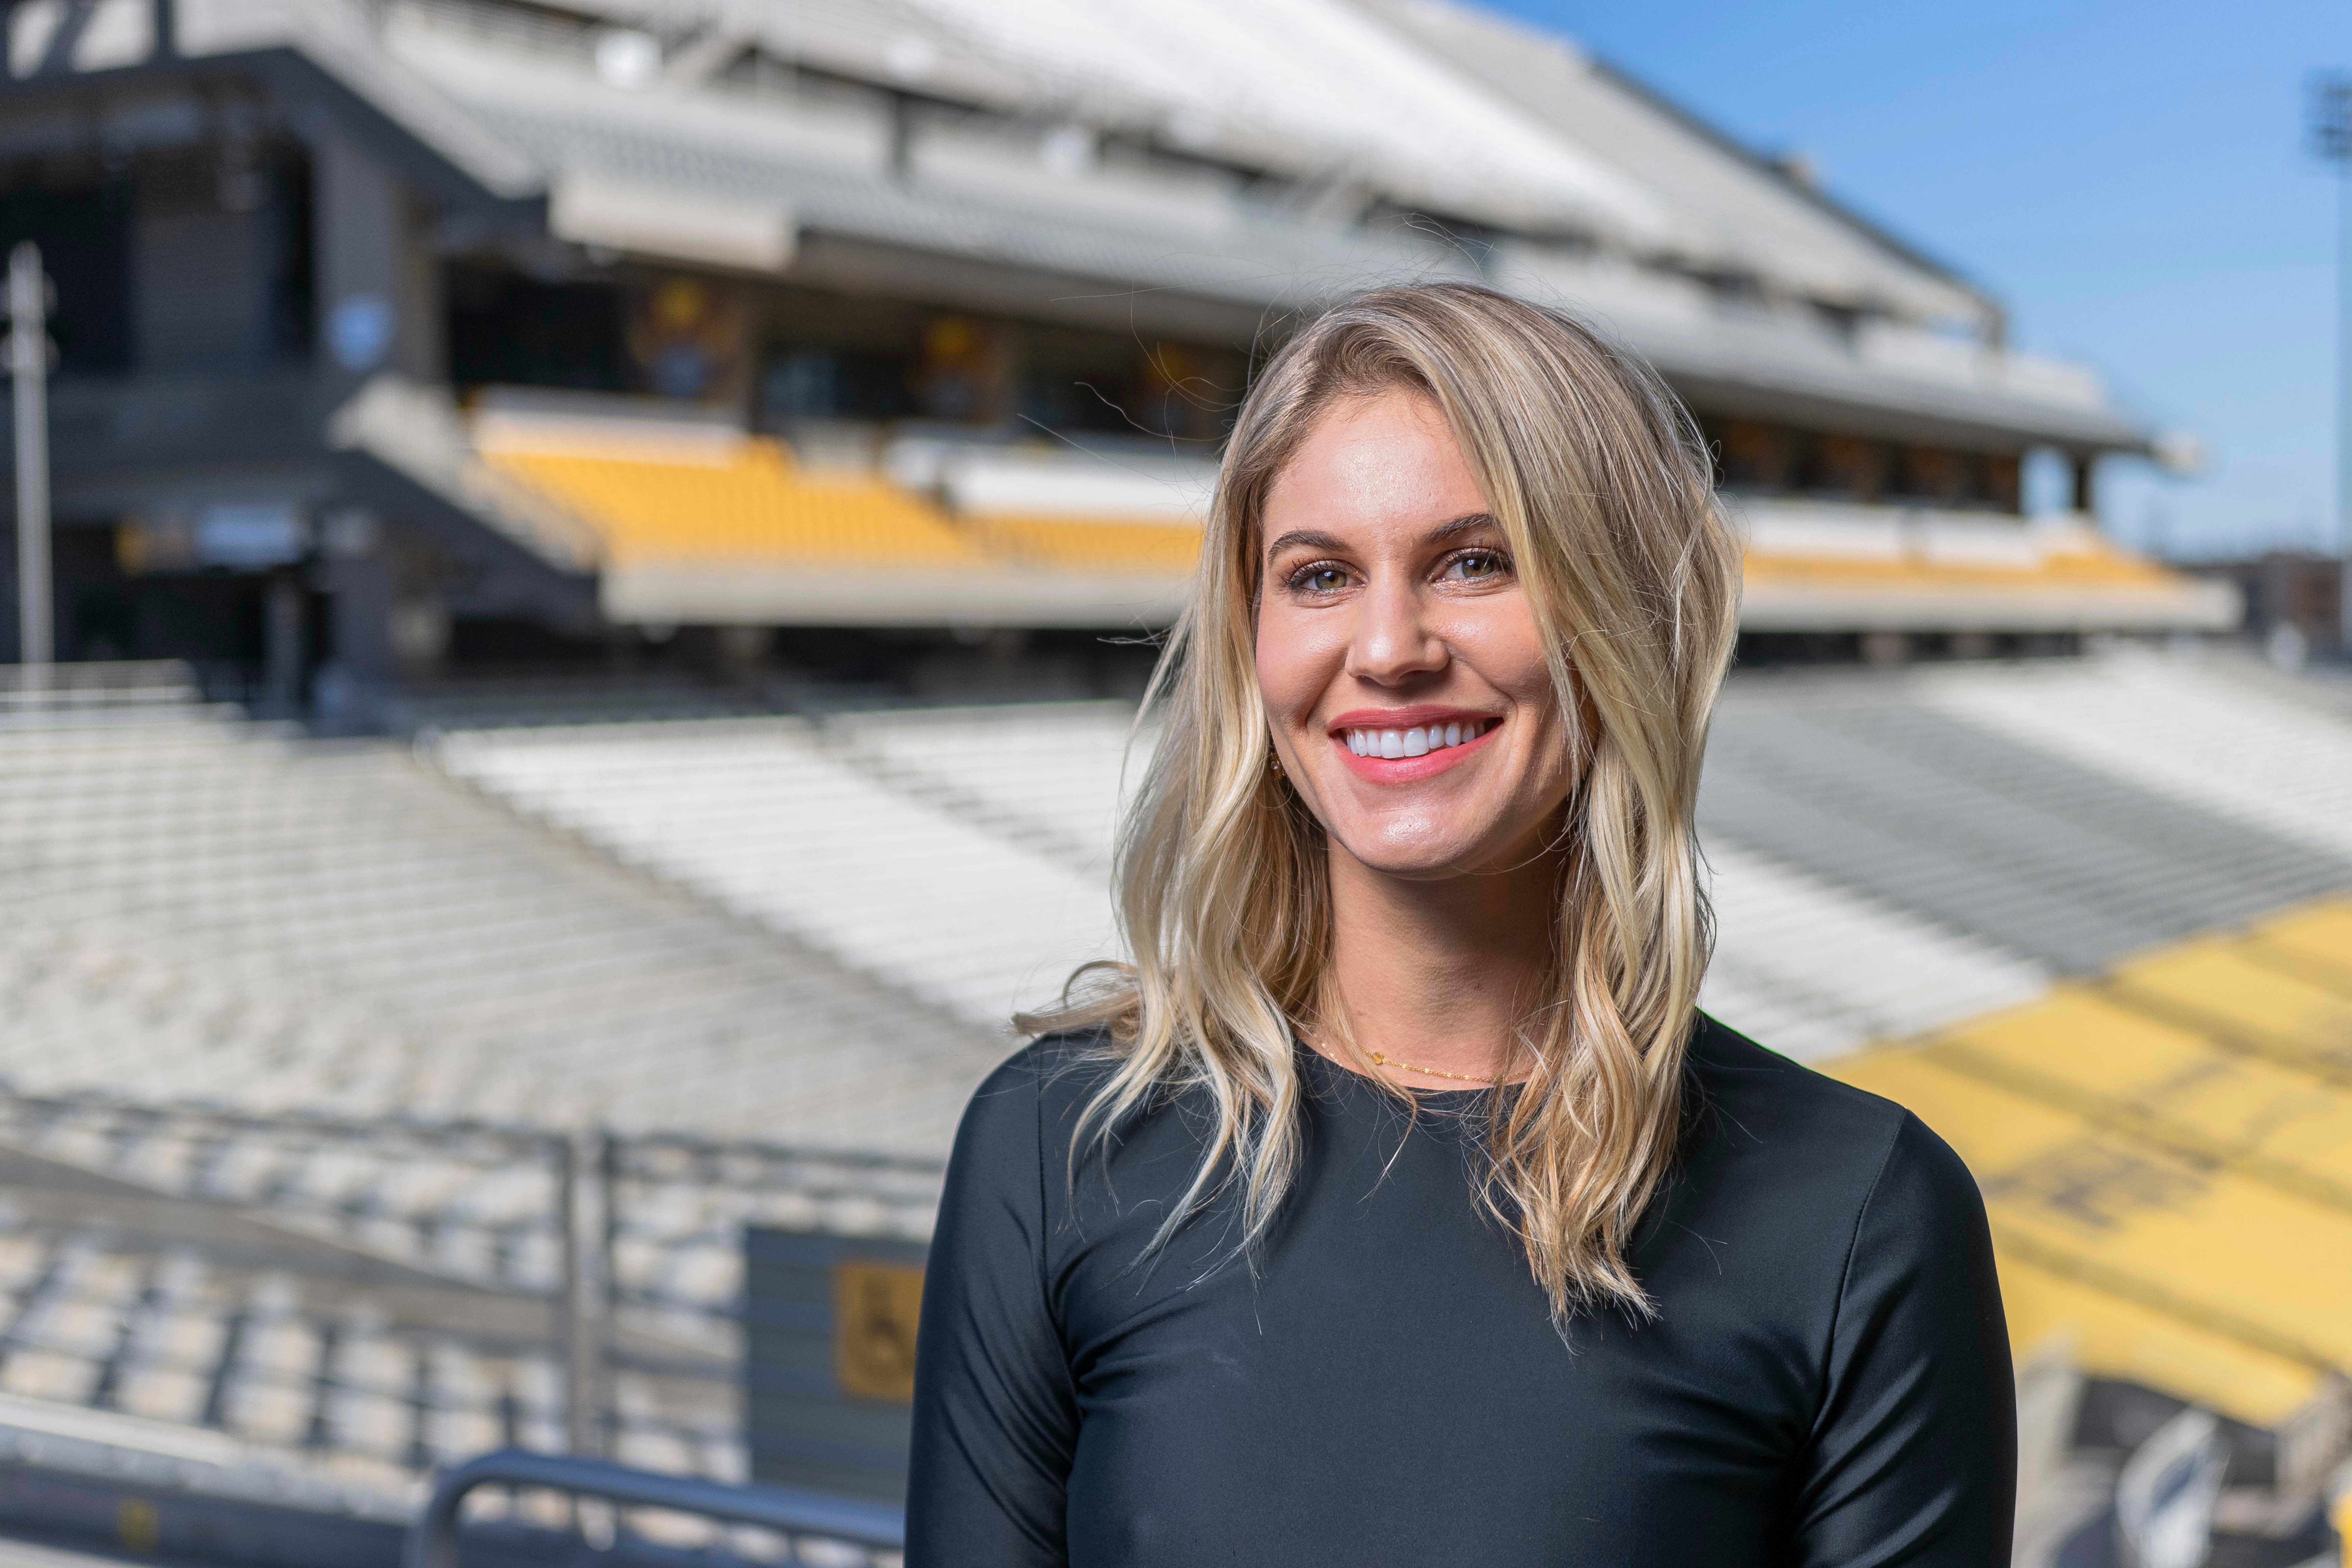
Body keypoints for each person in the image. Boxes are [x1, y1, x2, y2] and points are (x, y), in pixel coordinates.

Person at [908, 284, 2012, 1566]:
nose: (1387, 647)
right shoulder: (1057, 1149)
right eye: (1318, 576)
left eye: (1476, 562)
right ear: (1250, 641)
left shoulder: (1861, 1216)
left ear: (1621, 615)